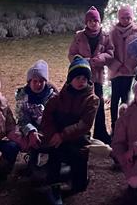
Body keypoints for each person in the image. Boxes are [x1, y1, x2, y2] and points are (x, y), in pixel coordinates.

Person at [41, 57, 99, 205]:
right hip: (57, 137)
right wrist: (53, 134)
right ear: (70, 79)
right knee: (55, 153)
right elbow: (46, 118)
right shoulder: (58, 98)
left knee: (79, 184)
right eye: (77, 78)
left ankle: (75, 176)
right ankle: (54, 186)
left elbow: (85, 124)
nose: (81, 81)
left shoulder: (92, 100)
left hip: (79, 139)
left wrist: (63, 135)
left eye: (84, 78)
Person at [68, 5, 114, 144]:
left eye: (95, 21)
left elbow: (110, 53)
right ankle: (80, 134)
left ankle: (100, 132)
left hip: (98, 77)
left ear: (99, 22)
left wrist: (101, 59)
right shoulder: (79, 36)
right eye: (90, 21)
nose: (93, 23)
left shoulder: (105, 36)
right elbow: (71, 54)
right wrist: (84, 61)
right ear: (86, 22)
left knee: (98, 105)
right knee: (81, 105)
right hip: (82, 77)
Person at [15, 60, 58, 169]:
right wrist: (31, 131)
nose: (38, 84)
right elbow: (22, 118)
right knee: (31, 140)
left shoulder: (53, 97)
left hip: (49, 129)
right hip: (31, 128)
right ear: (29, 81)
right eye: (35, 81)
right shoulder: (23, 96)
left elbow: (57, 117)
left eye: (41, 81)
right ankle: (32, 162)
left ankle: (53, 165)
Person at [109, 5, 137, 132]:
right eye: (123, 18)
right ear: (119, 18)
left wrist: (128, 66)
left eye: (128, 18)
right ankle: (114, 125)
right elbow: (109, 51)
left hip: (129, 72)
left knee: (126, 98)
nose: (126, 20)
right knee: (114, 98)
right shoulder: (112, 32)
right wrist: (117, 66)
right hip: (116, 71)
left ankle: (124, 126)